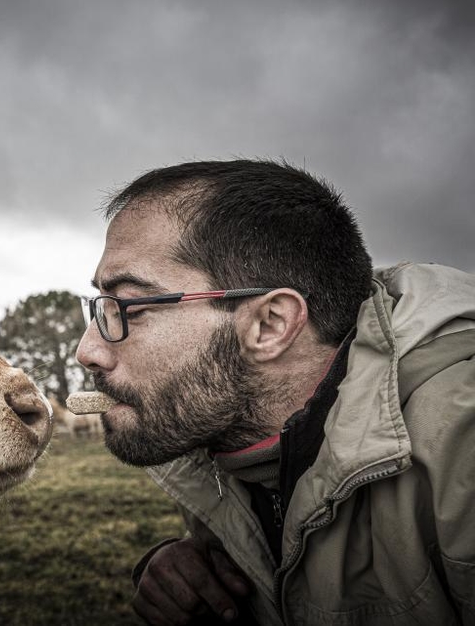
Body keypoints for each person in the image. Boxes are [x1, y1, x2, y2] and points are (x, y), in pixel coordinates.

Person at [75, 160, 475, 625]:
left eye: (131, 307)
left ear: (270, 325)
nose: (89, 350)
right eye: (100, 307)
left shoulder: (460, 450)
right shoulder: (223, 427)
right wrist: (188, 571)